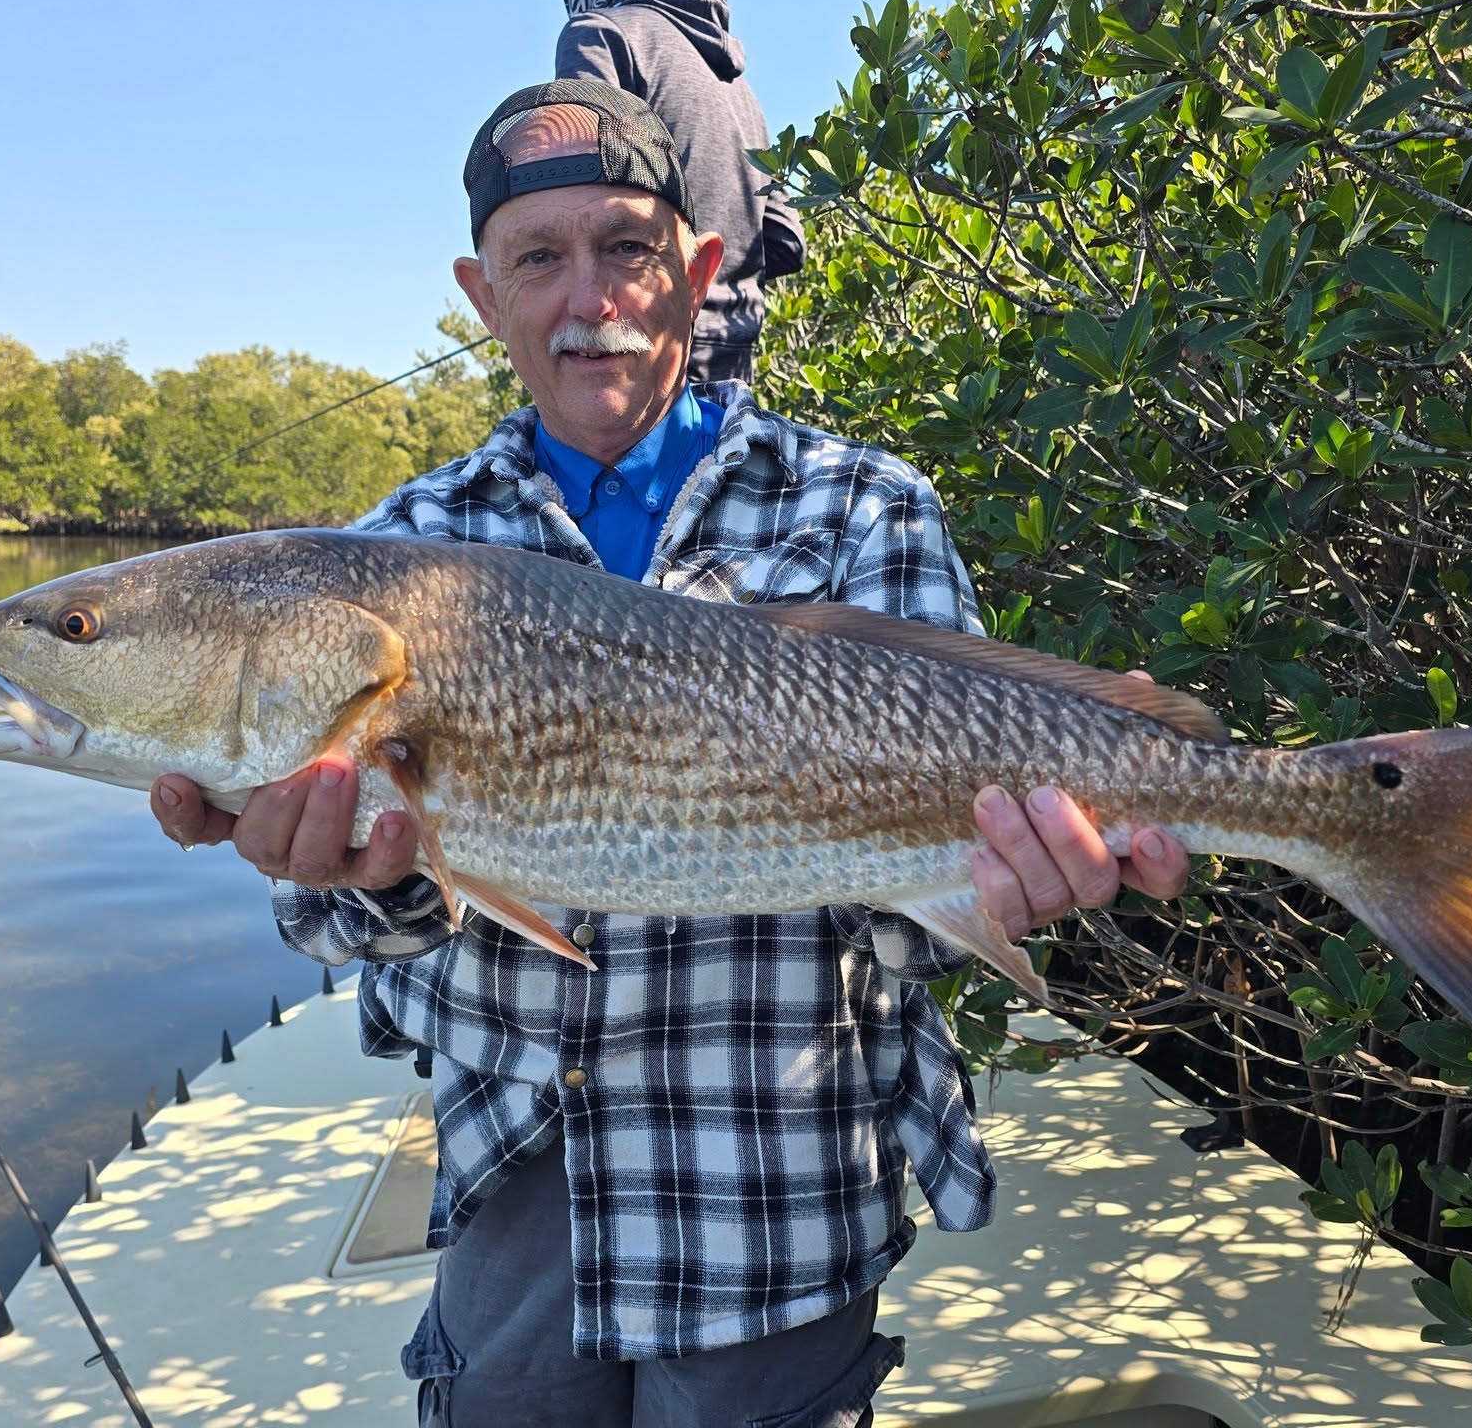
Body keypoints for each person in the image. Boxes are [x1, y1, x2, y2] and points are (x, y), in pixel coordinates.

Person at [149, 80, 1190, 1427]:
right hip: (523, 1169)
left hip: (778, 1177)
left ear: (698, 271)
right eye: (540, 258)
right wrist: (361, 873)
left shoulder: (861, 510)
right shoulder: (396, 546)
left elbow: (923, 917)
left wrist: (1004, 888)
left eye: (628, 247)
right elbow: (338, 926)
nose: (591, 299)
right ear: (483, 292)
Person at [548, 0, 802, 385]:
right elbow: (785, 241)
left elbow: (584, 181)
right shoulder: (735, 82)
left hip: (646, 347)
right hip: (736, 349)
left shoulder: (596, 32)